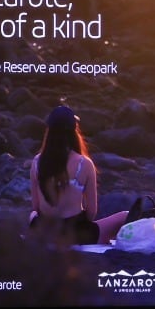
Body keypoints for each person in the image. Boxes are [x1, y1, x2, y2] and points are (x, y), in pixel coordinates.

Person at [27, 105, 129, 246]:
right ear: (74, 131)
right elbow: (91, 212)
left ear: (49, 131)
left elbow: (35, 206)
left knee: (32, 216)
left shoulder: (37, 161)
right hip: (74, 234)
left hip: (46, 232)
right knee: (124, 216)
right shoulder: (84, 164)